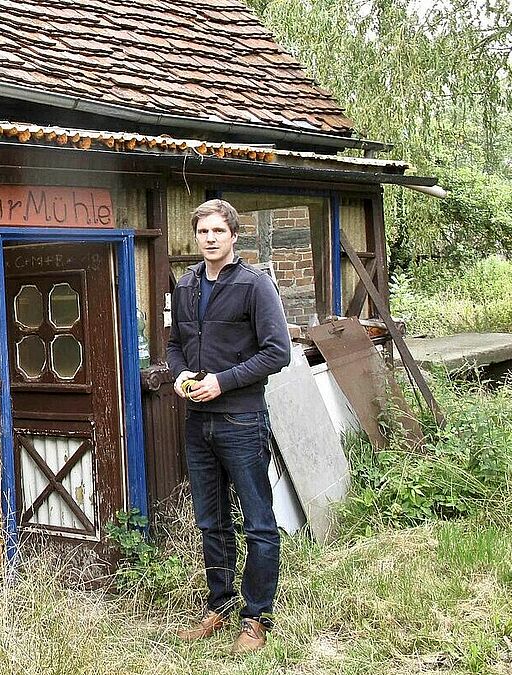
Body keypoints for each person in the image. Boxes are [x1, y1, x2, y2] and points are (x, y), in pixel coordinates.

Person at [165, 199, 291, 654]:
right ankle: (219, 608)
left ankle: (255, 619)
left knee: (259, 523)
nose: (211, 238)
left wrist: (222, 382)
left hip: (241, 419)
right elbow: (175, 343)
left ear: (234, 235)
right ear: (196, 236)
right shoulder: (186, 286)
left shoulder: (256, 285)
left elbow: (278, 353)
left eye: (219, 230)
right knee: (210, 521)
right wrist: (179, 373)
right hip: (198, 424)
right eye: (204, 232)